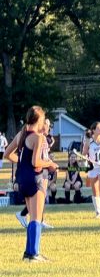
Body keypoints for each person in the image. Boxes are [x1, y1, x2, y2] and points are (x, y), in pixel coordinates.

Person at [5, 106, 58, 261]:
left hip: (22, 178)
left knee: (32, 216)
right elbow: (36, 161)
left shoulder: (21, 134)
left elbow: (8, 154)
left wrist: (23, 163)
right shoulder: (38, 137)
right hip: (35, 179)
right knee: (36, 217)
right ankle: (34, 254)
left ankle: (28, 253)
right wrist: (50, 164)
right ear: (39, 120)